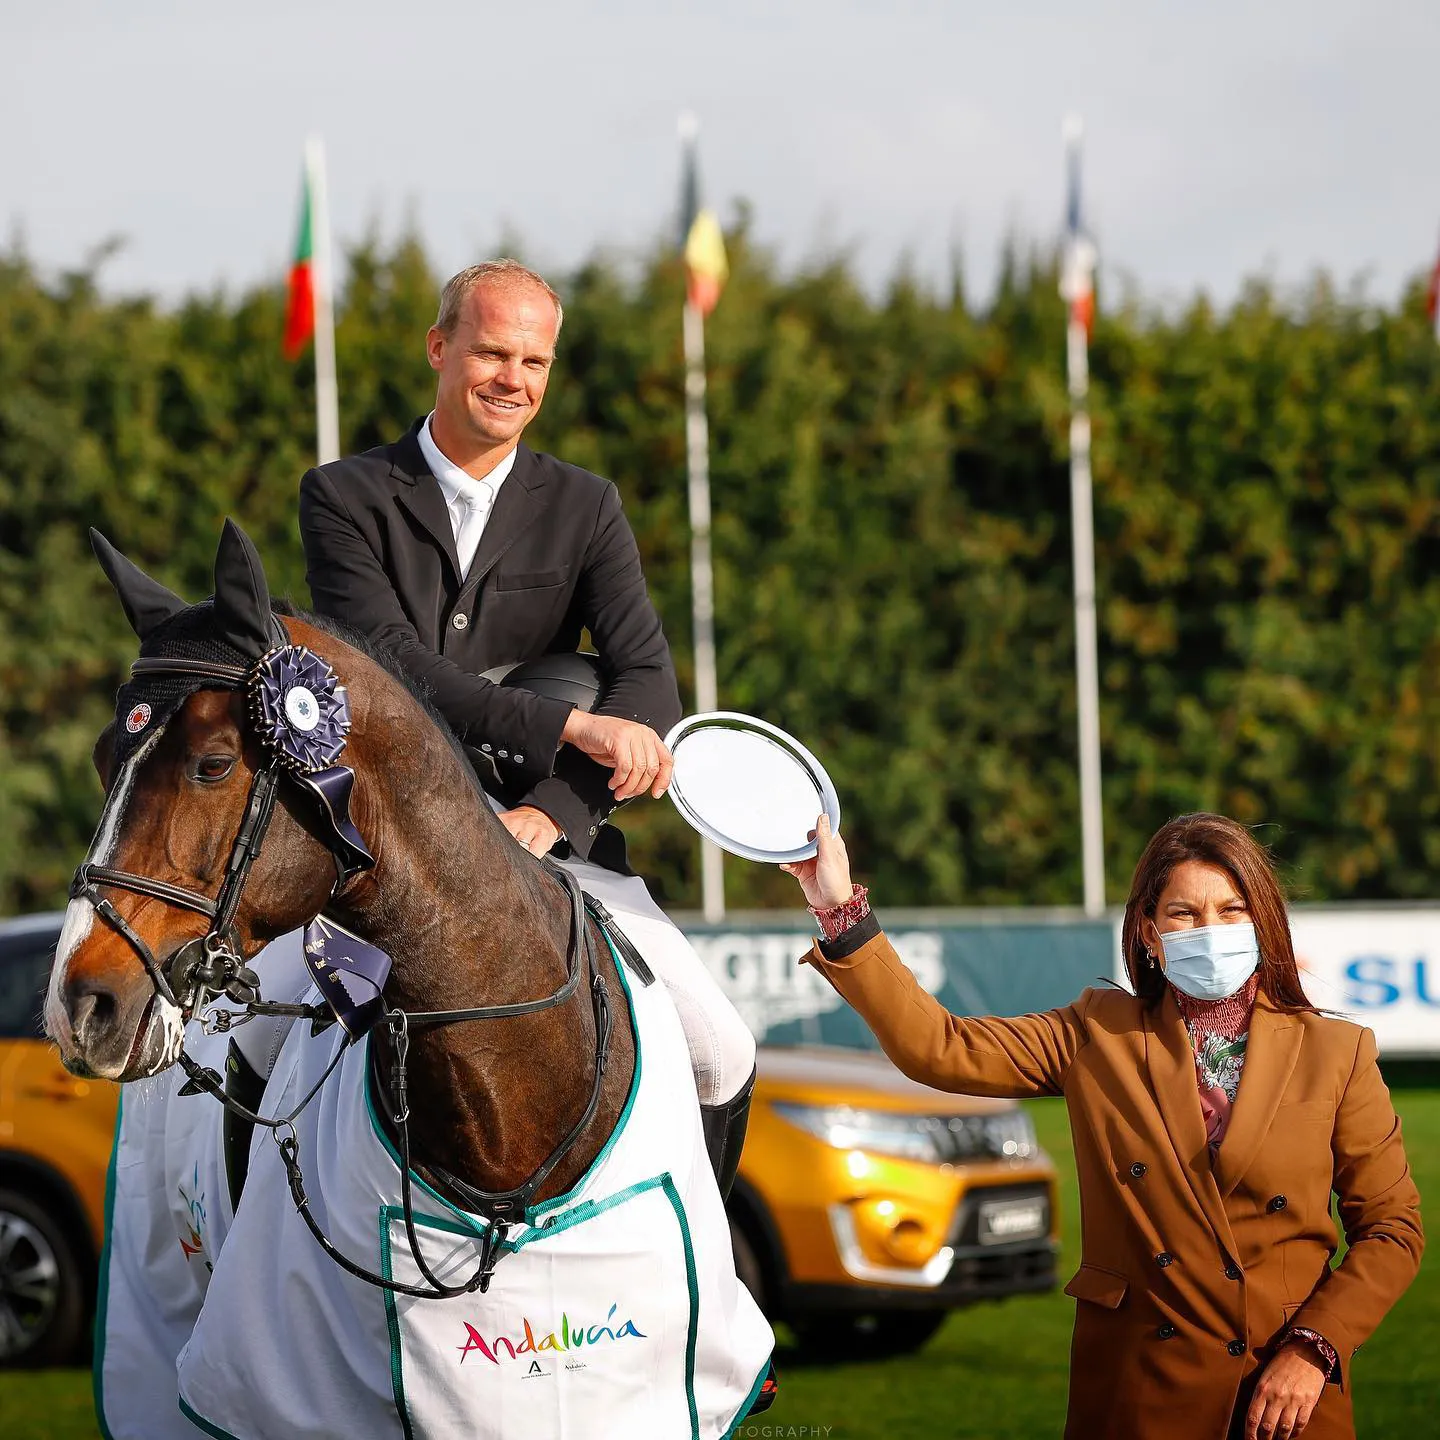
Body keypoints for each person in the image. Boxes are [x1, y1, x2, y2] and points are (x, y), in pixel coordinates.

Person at [298, 259, 756, 1190]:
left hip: (551, 845)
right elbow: (394, 670)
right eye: (493, 353)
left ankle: (703, 1273)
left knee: (721, 1051)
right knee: (265, 1060)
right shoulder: (343, 496)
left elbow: (648, 686)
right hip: (376, 846)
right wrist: (568, 728)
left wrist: (552, 812)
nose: (514, 379)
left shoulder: (587, 504)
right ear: (440, 348)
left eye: (535, 361)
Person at [781, 811, 1422, 1440]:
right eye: (1184, 913)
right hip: (1141, 1394)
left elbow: (1392, 1228)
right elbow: (937, 1046)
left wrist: (1314, 1350)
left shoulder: (1337, 1050)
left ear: (1263, 923)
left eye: (1231, 910)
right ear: (1148, 929)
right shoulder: (1097, 1032)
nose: (1211, 929)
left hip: (1288, 1403)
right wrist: (839, 906)